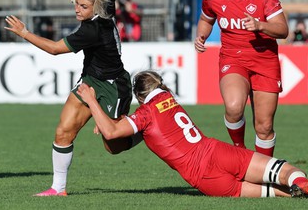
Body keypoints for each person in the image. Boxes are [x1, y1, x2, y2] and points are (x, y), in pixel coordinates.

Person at [5, 0, 138, 196]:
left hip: (114, 87)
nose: (77, 9)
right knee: (63, 131)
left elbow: (55, 49)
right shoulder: (105, 3)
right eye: (76, 3)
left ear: (96, 7)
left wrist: (24, 33)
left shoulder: (91, 30)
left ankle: (143, 129)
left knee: (113, 146)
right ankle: (58, 188)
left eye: (83, 6)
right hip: (90, 80)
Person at [77, 70, 308, 198]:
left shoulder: (145, 115)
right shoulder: (168, 99)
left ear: (140, 98)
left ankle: (293, 193)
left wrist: (91, 101)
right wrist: (108, 121)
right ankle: (303, 183)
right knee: (287, 171)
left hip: (205, 179)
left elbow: (112, 131)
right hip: (218, 152)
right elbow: (128, 131)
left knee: (276, 194)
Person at [194, 0, 289, 156]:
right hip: (232, 58)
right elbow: (206, 18)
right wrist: (201, 35)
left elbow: (283, 29)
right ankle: (241, 153)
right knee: (234, 107)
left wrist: (260, 25)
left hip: (265, 61)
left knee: (264, 127)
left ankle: (263, 170)